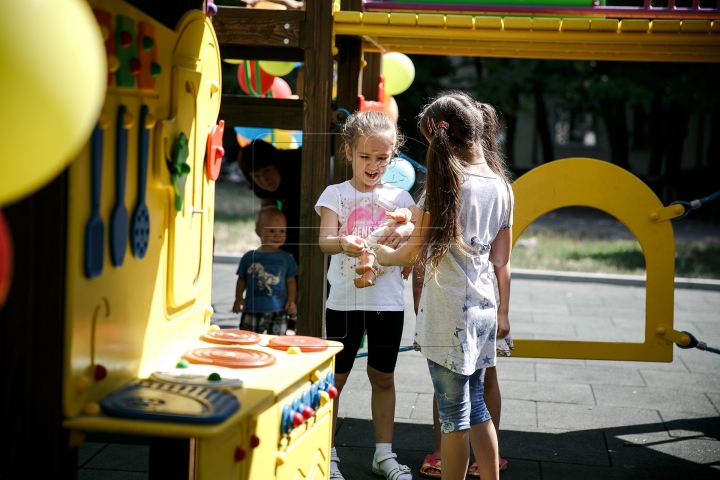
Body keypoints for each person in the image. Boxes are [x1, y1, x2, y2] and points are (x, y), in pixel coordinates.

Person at [375, 92, 514, 480]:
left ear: (440, 138)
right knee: (478, 407)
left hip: (448, 311)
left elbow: (410, 255)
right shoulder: (501, 184)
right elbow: (499, 257)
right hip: (484, 307)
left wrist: (379, 255)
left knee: (454, 416)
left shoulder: (448, 181)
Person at [315, 111, 417, 480]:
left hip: (387, 302)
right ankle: (325, 452)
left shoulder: (401, 198)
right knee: (336, 379)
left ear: (393, 157)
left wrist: (406, 238)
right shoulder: (335, 194)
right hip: (343, 301)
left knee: (383, 377)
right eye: (365, 157)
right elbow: (324, 241)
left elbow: (415, 241)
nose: (373, 165)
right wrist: (342, 241)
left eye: (382, 158)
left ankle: (384, 455)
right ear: (348, 152)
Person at [415, 262, 513, 478]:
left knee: (474, 388)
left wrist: (503, 310)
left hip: (477, 296)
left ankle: (485, 457)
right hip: (452, 297)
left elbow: (503, 260)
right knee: (450, 387)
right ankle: (441, 451)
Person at [232, 207, 298, 334]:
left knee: (276, 343)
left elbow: (291, 281)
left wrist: (291, 301)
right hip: (252, 309)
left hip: (279, 310)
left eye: (282, 231)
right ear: (258, 232)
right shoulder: (249, 257)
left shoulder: (287, 258)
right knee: (249, 340)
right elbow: (242, 279)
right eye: (272, 231)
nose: (277, 235)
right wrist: (238, 297)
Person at [237, 140, 301, 263]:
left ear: (278, 165)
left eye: (267, 171)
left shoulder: (297, 163)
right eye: (256, 176)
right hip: (291, 204)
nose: (264, 180)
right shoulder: (261, 185)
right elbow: (268, 212)